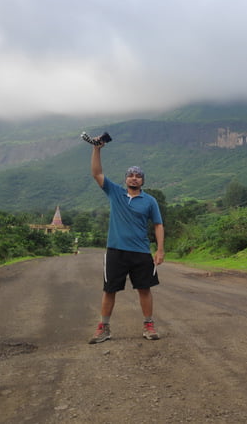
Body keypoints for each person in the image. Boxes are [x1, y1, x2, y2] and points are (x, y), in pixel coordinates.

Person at [88, 138, 165, 344]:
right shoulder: (115, 193)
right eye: (130, 175)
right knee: (110, 289)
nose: (134, 178)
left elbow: (158, 225)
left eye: (138, 176)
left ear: (143, 180)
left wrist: (160, 250)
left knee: (144, 289)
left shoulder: (150, 201)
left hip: (141, 252)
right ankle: (104, 328)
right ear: (125, 179)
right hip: (116, 250)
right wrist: (97, 149)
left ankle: (148, 324)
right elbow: (96, 173)